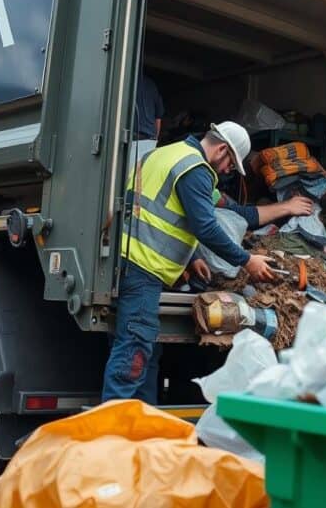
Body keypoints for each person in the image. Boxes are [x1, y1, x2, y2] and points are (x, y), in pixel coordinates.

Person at [102, 122, 276, 404]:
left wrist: (192, 258)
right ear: (222, 149)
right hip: (143, 267)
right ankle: (110, 434)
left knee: (142, 350)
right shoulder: (196, 170)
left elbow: (156, 208)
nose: (228, 170)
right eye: (231, 163)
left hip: (124, 260)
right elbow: (205, 227)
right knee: (133, 353)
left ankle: (141, 426)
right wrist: (247, 260)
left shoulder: (164, 153)